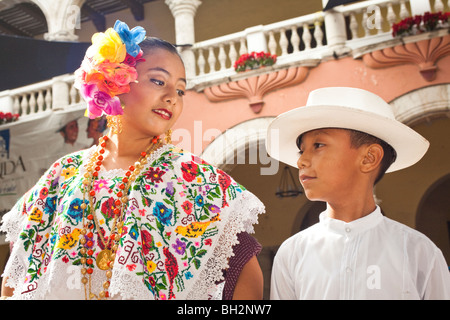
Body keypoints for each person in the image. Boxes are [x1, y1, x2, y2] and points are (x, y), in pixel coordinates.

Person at [1, 20, 264, 300]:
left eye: (180, 90)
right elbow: (16, 277)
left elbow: (244, 268)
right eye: (158, 81)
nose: (172, 98)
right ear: (115, 81)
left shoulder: (193, 177)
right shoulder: (63, 175)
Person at [266, 87, 450, 300]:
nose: (301, 161)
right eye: (301, 150)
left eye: (318, 145)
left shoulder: (419, 253)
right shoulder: (292, 254)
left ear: (369, 158)